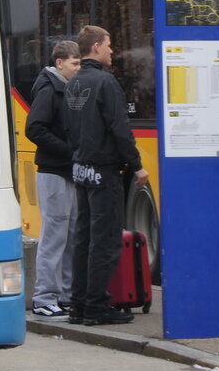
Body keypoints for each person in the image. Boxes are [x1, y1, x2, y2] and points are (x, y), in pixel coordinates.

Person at [64, 25, 149, 326]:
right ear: (97, 47)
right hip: (103, 172)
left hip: (81, 169)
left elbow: (70, 127)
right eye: (110, 45)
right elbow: (120, 130)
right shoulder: (105, 82)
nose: (113, 50)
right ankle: (97, 306)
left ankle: (78, 304)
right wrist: (137, 164)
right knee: (105, 239)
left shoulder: (74, 83)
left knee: (83, 238)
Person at [26, 40, 81, 317]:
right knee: (55, 235)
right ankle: (44, 298)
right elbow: (34, 128)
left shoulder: (65, 88)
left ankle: (66, 295)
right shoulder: (50, 89)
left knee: (69, 234)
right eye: (75, 63)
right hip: (54, 171)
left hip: (65, 170)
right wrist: (69, 150)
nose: (78, 68)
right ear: (60, 63)